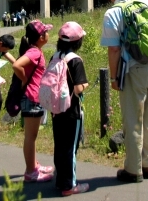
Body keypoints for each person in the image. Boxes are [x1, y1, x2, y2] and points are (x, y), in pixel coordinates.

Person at [100, 0, 148, 183]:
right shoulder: (143, 2)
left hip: (133, 69)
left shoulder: (112, 13)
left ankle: (133, 169)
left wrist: (113, 77)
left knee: (133, 118)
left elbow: (114, 49)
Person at [12, 20, 55, 183]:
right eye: (46, 31)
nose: (48, 34)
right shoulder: (34, 52)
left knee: (32, 135)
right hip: (32, 97)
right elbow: (17, 65)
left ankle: (34, 165)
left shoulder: (35, 50)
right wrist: (24, 80)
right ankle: (30, 172)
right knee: (31, 136)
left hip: (32, 97)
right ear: (41, 36)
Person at [51, 22, 89, 196]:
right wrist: (86, 84)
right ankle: (69, 185)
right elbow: (78, 87)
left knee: (60, 145)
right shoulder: (75, 60)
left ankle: (60, 178)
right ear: (77, 41)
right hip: (71, 110)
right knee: (70, 149)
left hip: (55, 109)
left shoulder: (55, 56)